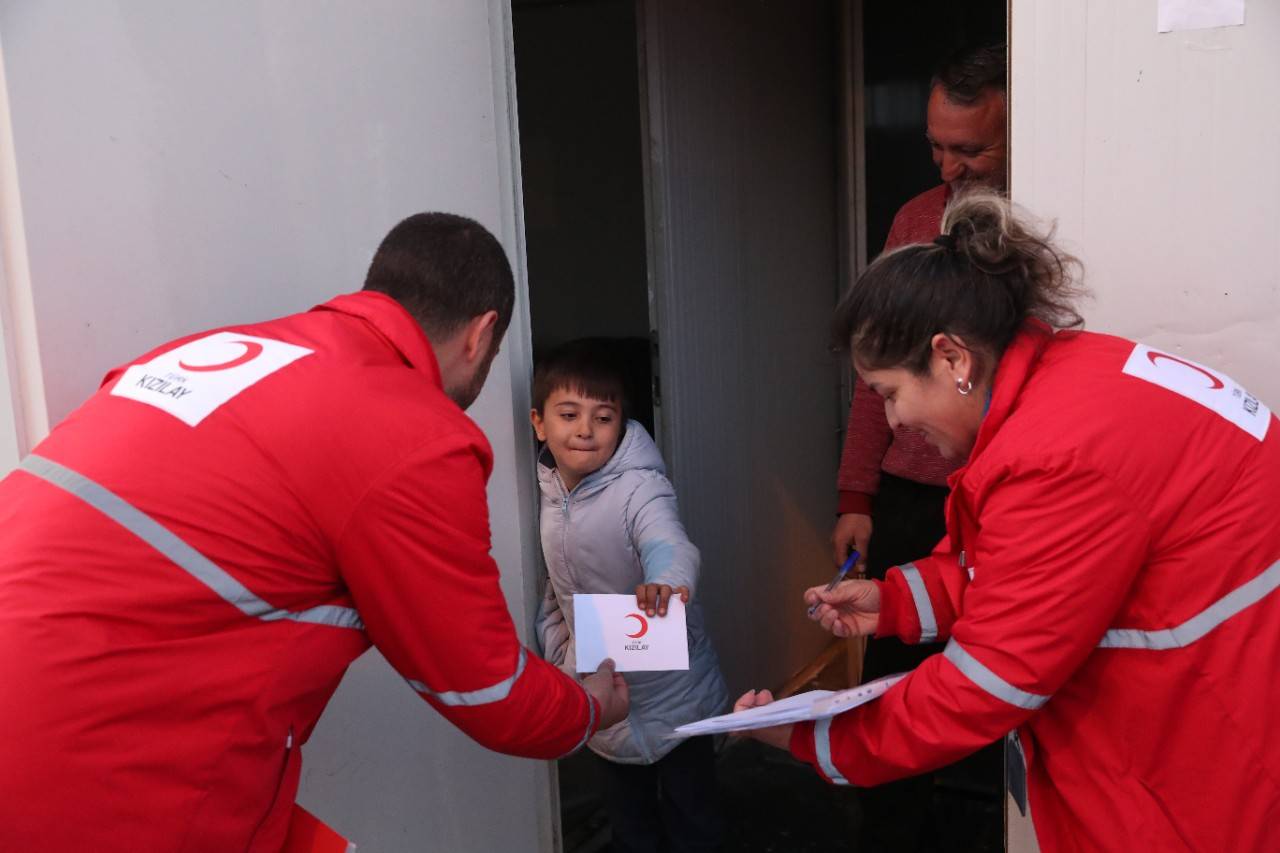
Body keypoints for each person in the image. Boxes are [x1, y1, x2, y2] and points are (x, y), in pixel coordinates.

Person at [0, 213, 629, 852]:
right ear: (482, 333)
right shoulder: (410, 431)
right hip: (85, 770)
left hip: (62, 721)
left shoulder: (217, 352)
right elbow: (487, 690)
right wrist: (590, 707)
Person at [737, 191, 1280, 852]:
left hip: (1193, 758)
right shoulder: (1074, 375)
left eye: (891, 393)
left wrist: (805, 735)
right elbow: (1027, 575)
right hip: (1211, 709)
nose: (896, 421)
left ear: (953, 359)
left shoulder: (1053, 459)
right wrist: (896, 600)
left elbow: (980, 687)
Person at [834, 42, 1008, 851]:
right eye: (938, 146)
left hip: (1000, 486)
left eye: (970, 148)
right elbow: (882, 378)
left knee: (994, 662)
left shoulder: (1050, 209)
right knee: (892, 670)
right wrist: (855, 497)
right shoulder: (912, 218)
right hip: (911, 495)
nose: (951, 168)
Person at [531, 340, 727, 853]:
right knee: (631, 827)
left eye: (603, 417)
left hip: (675, 697)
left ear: (621, 425)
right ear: (538, 423)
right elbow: (554, 594)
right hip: (605, 694)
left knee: (695, 823)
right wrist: (561, 659)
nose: (585, 430)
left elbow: (668, 540)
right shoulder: (544, 495)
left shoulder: (639, 486)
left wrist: (667, 580)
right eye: (568, 414)